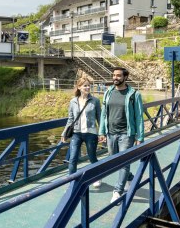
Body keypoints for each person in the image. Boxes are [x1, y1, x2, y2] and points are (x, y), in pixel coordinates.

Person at [99, 67, 145, 203]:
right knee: (114, 161)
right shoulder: (108, 92)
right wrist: (101, 131)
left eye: (118, 76)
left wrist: (140, 136)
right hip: (110, 133)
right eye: (113, 75)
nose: (115, 78)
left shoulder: (133, 94)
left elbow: (139, 116)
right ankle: (130, 177)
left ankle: (117, 191)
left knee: (124, 162)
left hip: (126, 133)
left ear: (125, 77)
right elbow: (103, 113)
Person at [61, 78, 102, 187]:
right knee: (73, 158)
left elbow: (100, 118)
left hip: (91, 133)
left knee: (92, 157)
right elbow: (70, 119)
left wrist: (102, 132)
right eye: (85, 86)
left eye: (89, 85)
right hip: (76, 133)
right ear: (79, 87)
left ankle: (97, 177)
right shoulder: (73, 101)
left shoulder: (95, 101)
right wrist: (64, 133)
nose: (87, 87)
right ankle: (72, 181)